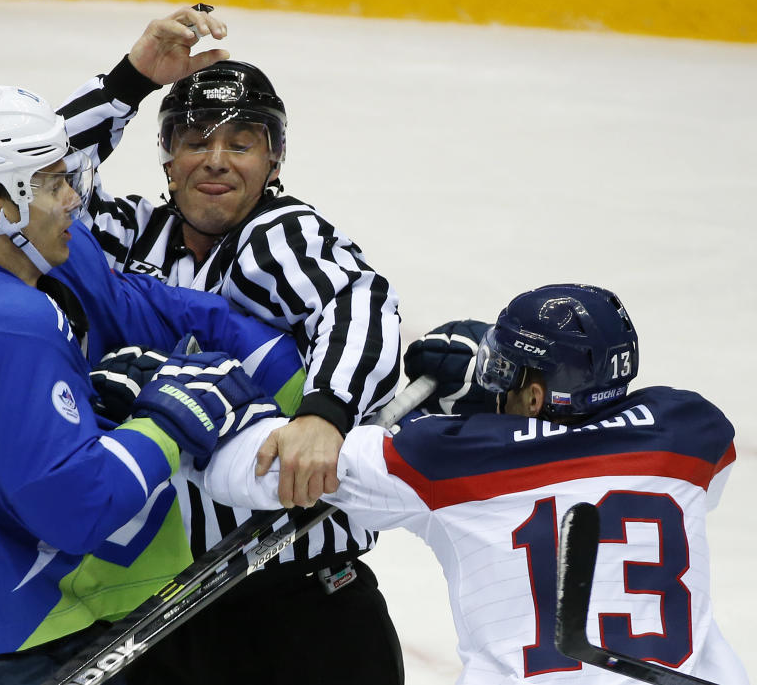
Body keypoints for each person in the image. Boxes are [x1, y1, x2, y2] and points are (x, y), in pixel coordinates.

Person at [0, 77, 305, 685]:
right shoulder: (2, 323)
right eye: (51, 183)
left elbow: (154, 308)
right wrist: (167, 420)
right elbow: (74, 505)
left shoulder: (4, 279)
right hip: (1, 658)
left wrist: (317, 395)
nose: (74, 197)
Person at [59, 6, 404, 685]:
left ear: (272, 160)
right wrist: (131, 80)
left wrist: (324, 413)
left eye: (241, 142)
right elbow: (42, 179)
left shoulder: (278, 236)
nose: (216, 161)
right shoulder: (133, 235)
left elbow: (358, 299)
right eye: (194, 140)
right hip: (168, 603)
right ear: (167, 158)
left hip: (297, 604)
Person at [193, 283, 748, 684]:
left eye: (504, 372)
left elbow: (275, 465)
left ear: (533, 397)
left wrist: (179, 420)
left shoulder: (446, 456)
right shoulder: (689, 431)